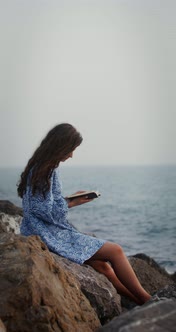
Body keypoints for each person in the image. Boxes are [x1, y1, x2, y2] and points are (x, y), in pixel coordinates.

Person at [17, 123, 151, 305]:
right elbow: (42, 211)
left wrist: (70, 199)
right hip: (46, 234)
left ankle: (141, 301)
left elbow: (42, 206)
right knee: (116, 251)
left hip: (39, 229)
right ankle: (148, 299)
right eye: (71, 150)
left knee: (102, 266)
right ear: (60, 146)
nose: (71, 155)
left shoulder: (41, 167)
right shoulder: (44, 170)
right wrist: (72, 202)